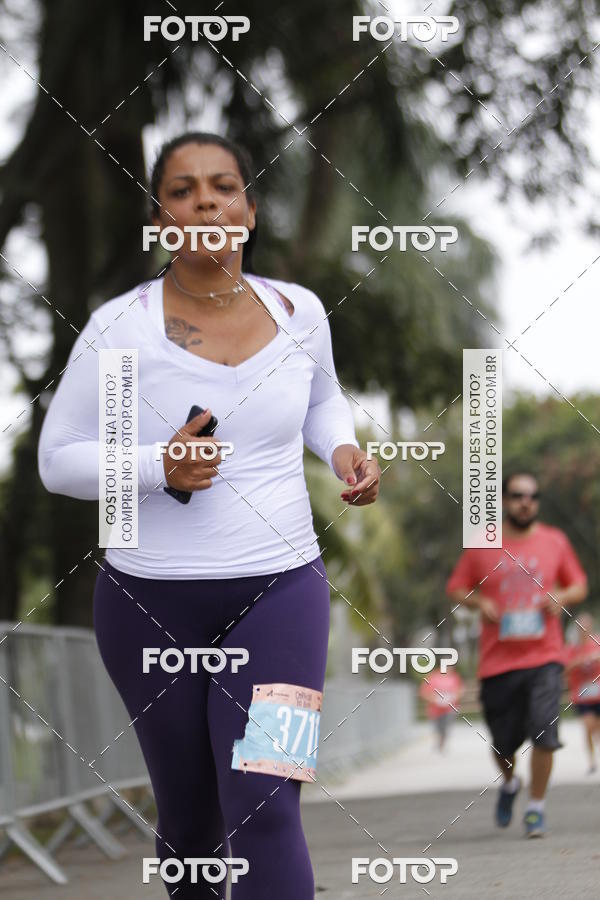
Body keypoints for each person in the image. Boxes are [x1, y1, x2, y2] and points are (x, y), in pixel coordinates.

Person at [37, 132, 381, 899]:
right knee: (192, 820)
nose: (206, 203)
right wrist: (157, 465)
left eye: (223, 187)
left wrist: (344, 451)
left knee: (265, 801)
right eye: (183, 190)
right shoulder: (117, 328)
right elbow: (58, 459)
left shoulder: (301, 312)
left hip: (285, 594)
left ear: (249, 212)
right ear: (161, 220)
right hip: (148, 607)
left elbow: (323, 399)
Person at [446, 471, 587, 838]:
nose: (527, 501)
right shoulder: (482, 544)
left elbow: (579, 584)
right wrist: (481, 602)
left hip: (545, 657)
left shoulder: (555, 541)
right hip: (498, 661)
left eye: (534, 496)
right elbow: (456, 587)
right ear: (506, 500)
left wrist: (562, 597)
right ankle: (510, 784)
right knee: (503, 743)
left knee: (545, 732)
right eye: (518, 495)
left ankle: (537, 808)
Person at [564, 612, 600, 774]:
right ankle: (592, 762)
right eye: (581, 627)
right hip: (583, 695)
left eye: (586, 626)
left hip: (598, 693)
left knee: (597, 729)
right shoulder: (571, 648)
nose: (584, 629)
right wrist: (580, 661)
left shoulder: (597, 642)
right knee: (588, 727)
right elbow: (564, 669)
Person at [419, 666, 464, 752]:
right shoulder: (433, 677)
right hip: (435, 709)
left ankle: (442, 743)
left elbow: (460, 690)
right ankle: (439, 741)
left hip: (450, 708)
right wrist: (434, 700)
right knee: (437, 727)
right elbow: (424, 692)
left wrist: (453, 698)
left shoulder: (455, 677)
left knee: (446, 726)